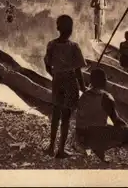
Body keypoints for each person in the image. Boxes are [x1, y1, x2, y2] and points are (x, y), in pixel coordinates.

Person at [44, 15, 88, 158]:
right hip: (70, 83)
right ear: (70, 30)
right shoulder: (74, 47)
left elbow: (47, 66)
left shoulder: (51, 45)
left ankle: (51, 147)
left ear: (58, 28)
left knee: (56, 114)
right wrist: (83, 88)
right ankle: (61, 150)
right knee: (66, 117)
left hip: (57, 81)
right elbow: (77, 71)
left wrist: (56, 75)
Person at [75, 68, 128, 162]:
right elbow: (116, 121)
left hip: (80, 136)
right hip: (94, 136)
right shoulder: (106, 97)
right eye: (105, 79)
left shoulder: (84, 95)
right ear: (103, 81)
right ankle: (99, 147)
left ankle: (97, 147)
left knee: (99, 125)